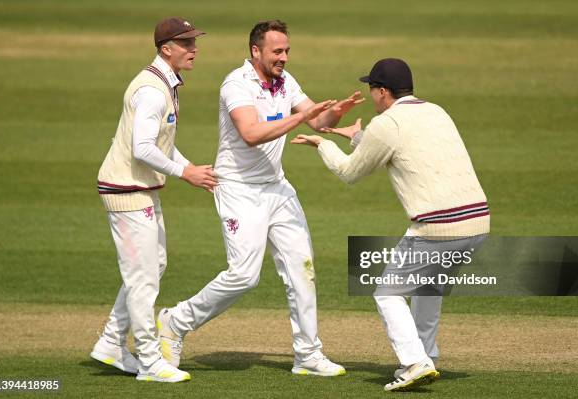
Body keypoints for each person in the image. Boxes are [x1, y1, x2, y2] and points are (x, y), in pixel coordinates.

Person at [156, 20, 363, 377]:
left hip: (276, 188)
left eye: (287, 51)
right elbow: (251, 134)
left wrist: (336, 114)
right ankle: (175, 322)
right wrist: (300, 117)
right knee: (244, 276)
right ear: (256, 51)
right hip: (238, 189)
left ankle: (308, 354)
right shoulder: (236, 84)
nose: (283, 57)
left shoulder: (286, 80)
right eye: (277, 51)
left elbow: (317, 119)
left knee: (303, 268)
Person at [292, 58, 490, 391]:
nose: (372, 96)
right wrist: (358, 138)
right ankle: (426, 355)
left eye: (373, 89)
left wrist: (323, 144)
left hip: (437, 227)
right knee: (429, 286)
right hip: (478, 222)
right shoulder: (436, 111)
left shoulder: (387, 123)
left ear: (383, 91)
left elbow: (350, 172)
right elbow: (405, 149)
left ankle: (414, 362)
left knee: (388, 292)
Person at [91, 17, 217, 383]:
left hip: (139, 188)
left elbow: (161, 141)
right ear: (167, 48)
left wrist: (190, 167)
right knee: (143, 276)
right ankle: (149, 361)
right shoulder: (152, 90)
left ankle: (112, 342)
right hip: (127, 191)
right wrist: (184, 174)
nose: (195, 49)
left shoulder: (165, 83)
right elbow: (142, 147)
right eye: (187, 44)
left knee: (154, 265)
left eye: (194, 42)